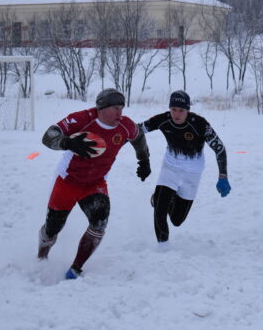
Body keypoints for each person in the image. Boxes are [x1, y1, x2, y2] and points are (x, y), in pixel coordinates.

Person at [37, 88, 151, 279]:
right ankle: (41, 257)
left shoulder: (125, 125)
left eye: (121, 108)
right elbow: (48, 136)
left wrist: (144, 160)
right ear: (101, 107)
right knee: (53, 227)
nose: (120, 113)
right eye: (115, 108)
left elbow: (138, 137)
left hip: (95, 183)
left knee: (100, 220)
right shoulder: (82, 119)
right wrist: (67, 142)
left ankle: (75, 268)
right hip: (68, 181)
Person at [140, 90, 230, 246]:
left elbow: (220, 149)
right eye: (173, 109)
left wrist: (223, 176)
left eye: (181, 110)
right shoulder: (163, 119)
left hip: (192, 174)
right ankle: (163, 248)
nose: (176, 114)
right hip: (170, 168)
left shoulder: (200, 124)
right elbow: (137, 130)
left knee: (176, 220)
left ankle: (167, 196)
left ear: (187, 110)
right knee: (160, 209)